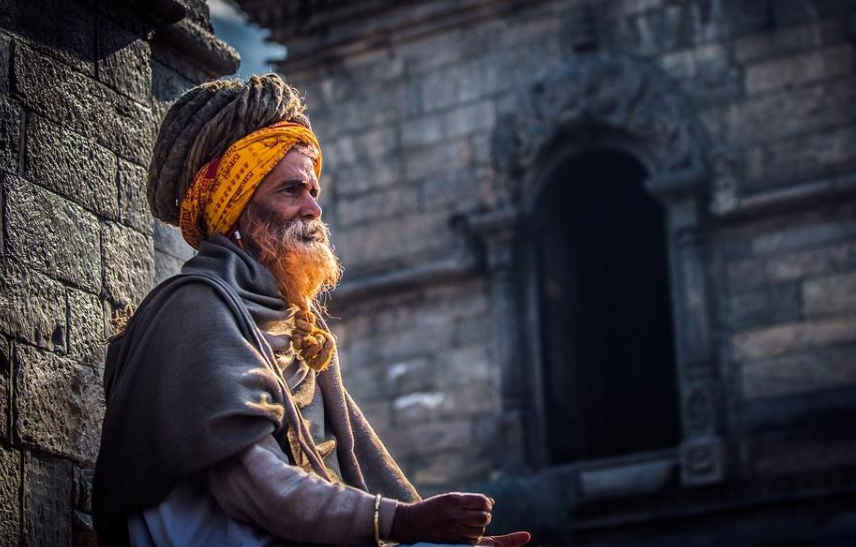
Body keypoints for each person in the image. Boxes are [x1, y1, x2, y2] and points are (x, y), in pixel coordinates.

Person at [91, 73, 533, 547]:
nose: (313, 210)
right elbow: (254, 486)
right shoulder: (193, 308)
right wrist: (403, 523)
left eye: (313, 192)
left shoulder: (298, 324)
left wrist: (441, 541)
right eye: (290, 190)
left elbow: (360, 469)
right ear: (236, 207)